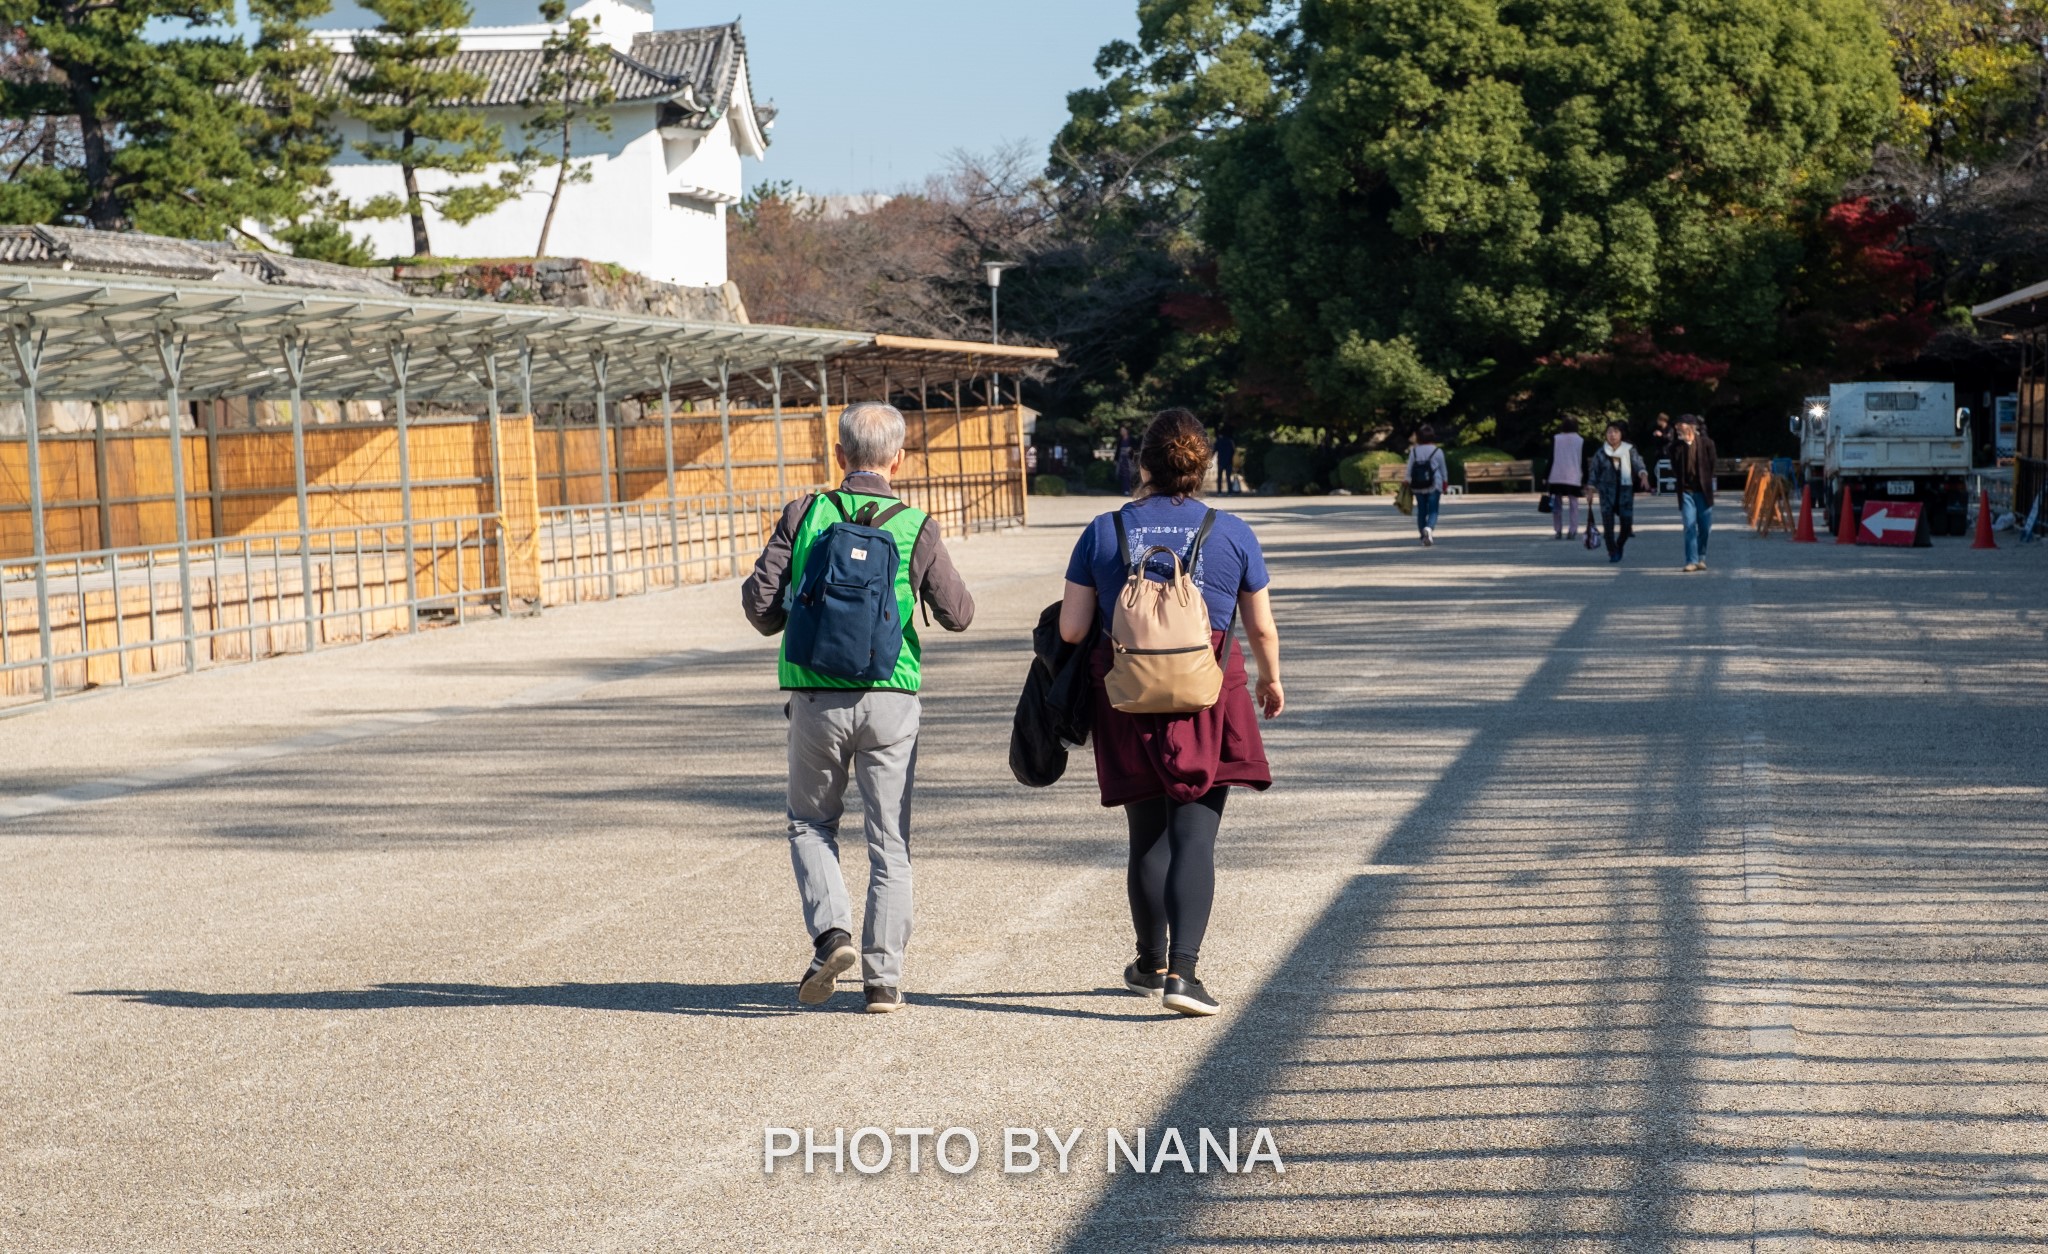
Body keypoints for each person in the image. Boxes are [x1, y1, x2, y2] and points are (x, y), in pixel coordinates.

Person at [740, 401, 976, 1012]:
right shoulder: (915, 524)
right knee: (889, 841)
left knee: (809, 823)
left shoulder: (805, 512)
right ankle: (883, 981)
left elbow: (760, 607)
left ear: (838, 455)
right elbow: (959, 614)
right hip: (890, 698)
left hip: (815, 696)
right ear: (898, 460)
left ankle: (831, 934)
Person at [1059, 409, 1281, 1017]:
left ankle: (1150, 962)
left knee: (1146, 833)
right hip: (1208, 692)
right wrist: (1272, 678)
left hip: (1128, 691)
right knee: (1195, 836)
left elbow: (1074, 628)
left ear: (1143, 463)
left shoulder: (1104, 531)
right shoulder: (1230, 530)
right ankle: (1184, 973)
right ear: (1202, 467)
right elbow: (1259, 625)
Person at [1586, 421, 1650, 563]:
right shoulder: (1601, 452)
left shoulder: (1629, 449)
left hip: (1625, 491)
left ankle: (1619, 545)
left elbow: (1638, 463)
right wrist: (1590, 489)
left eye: (1616, 432)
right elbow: (1594, 472)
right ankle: (1612, 550)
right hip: (1606, 492)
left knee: (1626, 525)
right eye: (1609, 432)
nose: (1612, 435)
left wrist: (1643, 475)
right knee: (1608, 526)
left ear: (1621, 434)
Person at [1672, 413, 1718, 571]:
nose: (1678, 429)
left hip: (1703, 491)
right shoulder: (1676, 447)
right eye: (1678, 426)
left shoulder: (1706, 444)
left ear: (1691, 427)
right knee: (1689, 525)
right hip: (1686, 492)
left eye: (1682, 426)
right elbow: (1675, 468)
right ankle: (1691, 560)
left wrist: (1706, 480)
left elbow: (1712, 465)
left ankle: (1701, 557)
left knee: (1705, 527)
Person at [1406, 424, 1449, 546]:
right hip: (1434, 484)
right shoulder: (1437, 451)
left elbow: (1409, 468)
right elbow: (1443, 469)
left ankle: (1422, 536)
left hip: (1417, 485)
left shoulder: (1414, 451)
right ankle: (1429, 528)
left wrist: (1407, 481)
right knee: (1433, 510)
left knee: (1421, 511)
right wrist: (1445, 483)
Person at [1546, 424, 1586, 539]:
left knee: (1557, 505)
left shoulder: (1556, 438)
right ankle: (1572, 530)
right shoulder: (1580, 440)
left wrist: (1545, 475)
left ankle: (1558, 530)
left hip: (1557, 475)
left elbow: (1551, 458)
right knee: (1573, 504)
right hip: (1573, 476)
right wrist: (1585, 478)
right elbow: (1583, 461)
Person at [1114, 424, 1138, 496]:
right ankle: (1125, 490)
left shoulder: (1131, 439)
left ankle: (1131, 489)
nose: (1122, 432)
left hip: (1129, 459)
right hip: (1122, 459)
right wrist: (1115, 459)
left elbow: (1136, 448)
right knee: (1123, 475)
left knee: (1130, 474)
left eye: (1123, 430)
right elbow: (1117, 450)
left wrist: (1130, 449)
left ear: (1127, 431)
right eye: (1121, 431)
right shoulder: (1120, 440)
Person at [1213, 425, 1237, 495]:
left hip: (1220, 461)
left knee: (1220, 477)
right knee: (1228, 477)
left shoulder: (1219, 441)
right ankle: (1229, 491)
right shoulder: (1230, 441)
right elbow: (1233, 451)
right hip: (1229, 461)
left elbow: (1214, 450)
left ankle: (1219, 491)